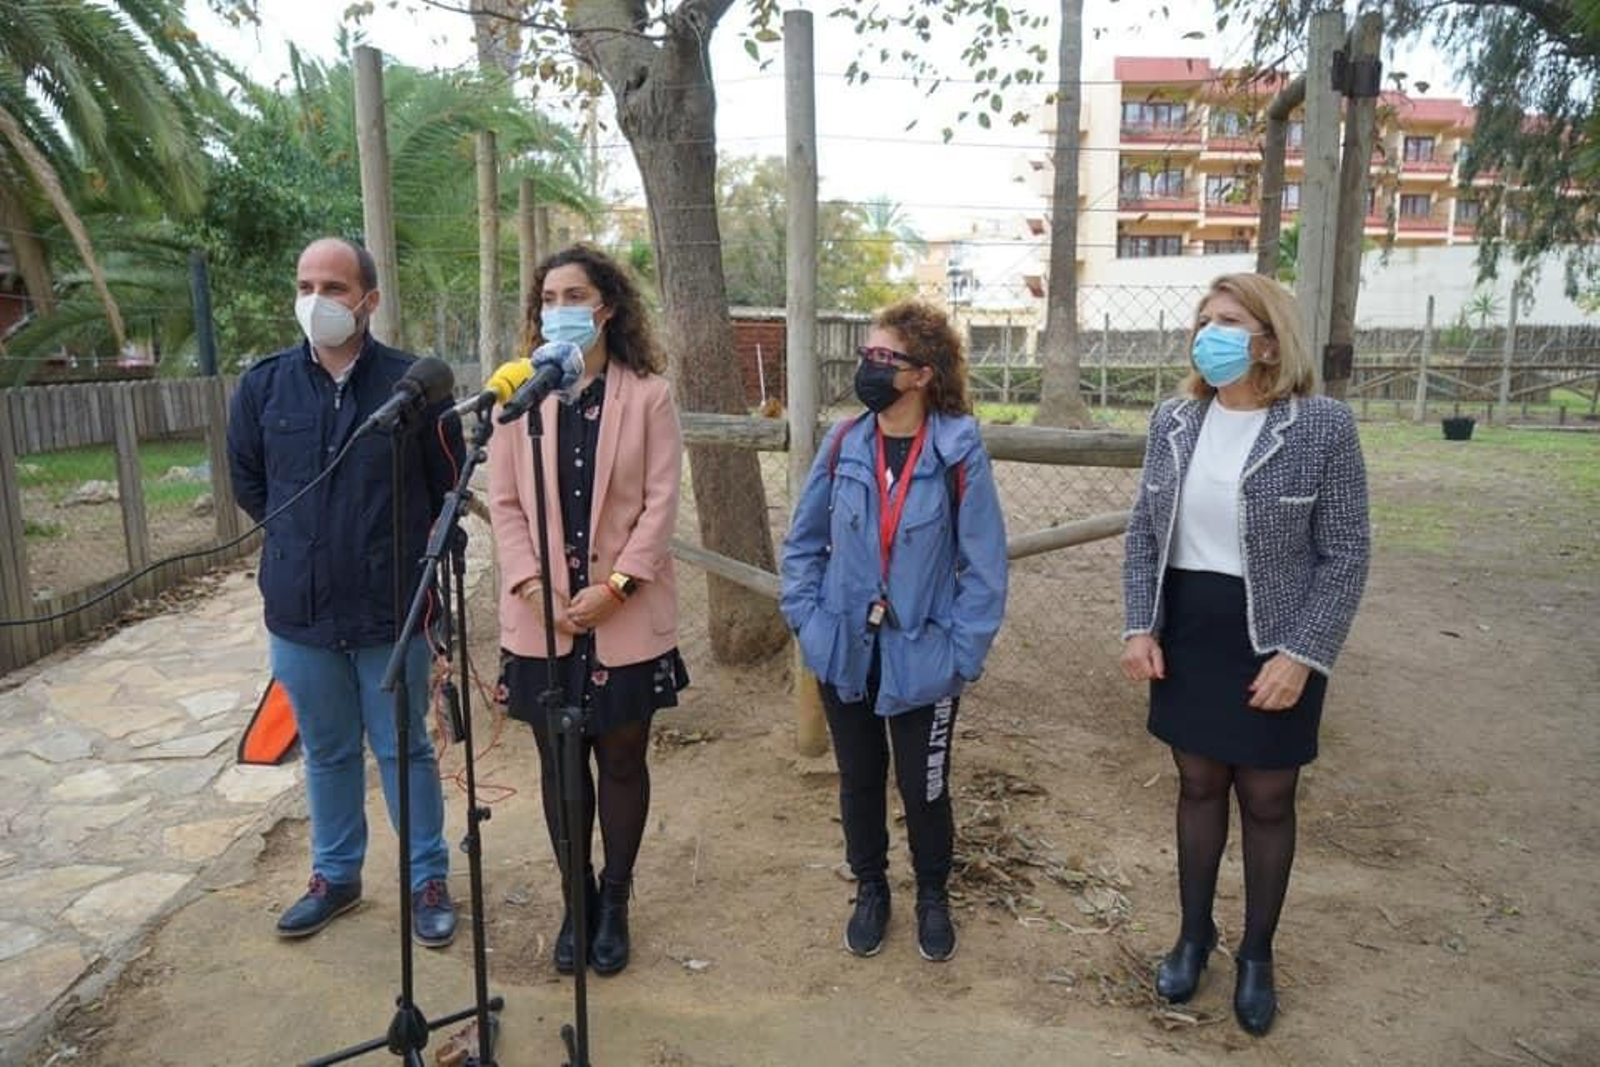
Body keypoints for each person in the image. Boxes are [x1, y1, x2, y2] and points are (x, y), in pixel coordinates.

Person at [1119, 273, 1370, 1035]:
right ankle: (1195, 936)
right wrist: (1140, 625)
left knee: (1266, 798)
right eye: (1203, 320)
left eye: (1227, 320)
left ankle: (1257, 953)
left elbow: (1347, 551)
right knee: (1197, 785)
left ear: (1268, 338)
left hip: (1276, 637)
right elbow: (1143, 534)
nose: (1209, 333)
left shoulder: (1322, 425)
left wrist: (1303, 653)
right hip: (1191, 628)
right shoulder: (1173, 420)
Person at [227, 237, 461, 946]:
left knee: (403, 749)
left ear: (369, 300)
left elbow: (444, 485)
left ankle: (426, 877)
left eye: (334, 285)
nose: (317, 300)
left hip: (392, 610)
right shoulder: (263, 387)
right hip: (299, 613)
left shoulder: (414, 386)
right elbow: (251, 483)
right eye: (306, 284)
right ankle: (336, 875)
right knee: (327, 752)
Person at [780, 300, 1008, 964]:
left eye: (887, 358)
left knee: (924, 783)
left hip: (925, 656)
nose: (870, 368)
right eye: (866, 355)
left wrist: (961, 653)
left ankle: (932, 892)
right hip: (845, 646)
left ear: (924, 375)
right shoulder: (845, 441)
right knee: (857, 777)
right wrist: (809, 621)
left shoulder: (958, 449)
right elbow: (803, 544)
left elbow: (985, 565)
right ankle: (871, 887)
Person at [487, 244, 688, 977]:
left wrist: (617, 588)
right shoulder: (521, 394)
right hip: (541, 619)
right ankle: (578, 901)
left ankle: (618, 899)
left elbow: (661, 506)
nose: (558, 308)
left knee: (622, 759)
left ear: (606, 306)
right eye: (546, 297)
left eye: (573, 293)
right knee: (560, 763)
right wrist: (535, 589)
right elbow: (504, 503)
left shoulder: (648, 397)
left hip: (623, 613)